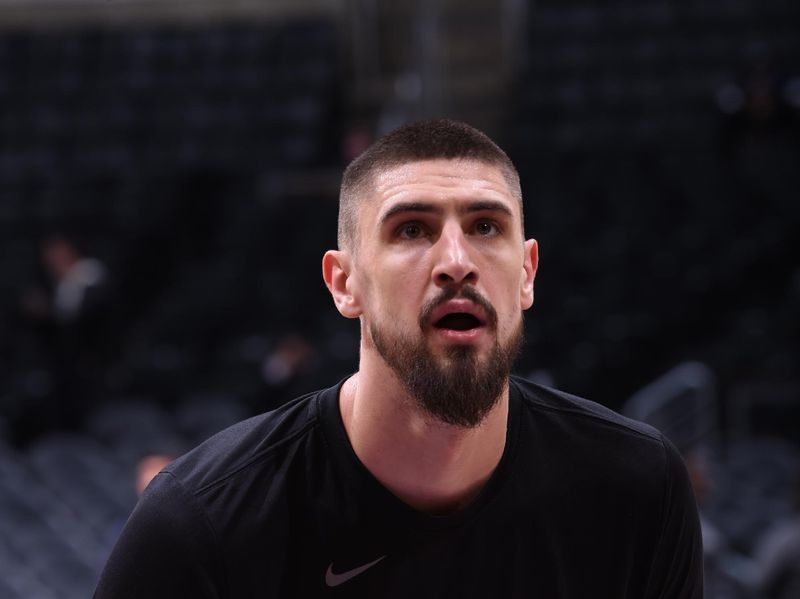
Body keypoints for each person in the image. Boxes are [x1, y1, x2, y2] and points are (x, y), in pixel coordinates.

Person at [94, 119, 703, 597]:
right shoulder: (200, 524)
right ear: (343, 283)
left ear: (527, 274)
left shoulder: (639, 487)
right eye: (411, 230)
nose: (456, 260)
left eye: (487, 227)